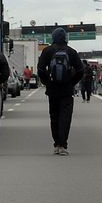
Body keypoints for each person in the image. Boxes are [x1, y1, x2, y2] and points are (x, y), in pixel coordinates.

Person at [37, 27, 84, 156]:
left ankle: (56, 144)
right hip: (67, 90)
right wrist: (71, 82)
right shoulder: (71, 52)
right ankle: (63, 144)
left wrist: (47, 82)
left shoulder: (47, 51)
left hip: (52, 90)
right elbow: (80, 70)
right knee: (65, 117)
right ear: (65, 39)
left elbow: (40, 70)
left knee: (54, 117)